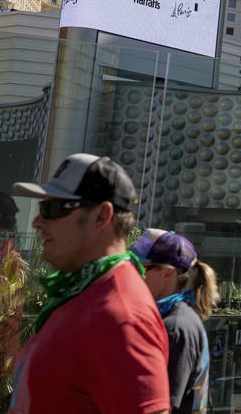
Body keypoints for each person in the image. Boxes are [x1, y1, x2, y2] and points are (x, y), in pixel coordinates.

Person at [10, 153, 170, 414]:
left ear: (101, 216)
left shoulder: (121, 315)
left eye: (53, 210)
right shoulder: (83, 291)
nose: (37, 222)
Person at [133, 229, 217, 414]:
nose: (135, 275)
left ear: (167, 273)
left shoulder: (176, 326)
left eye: (142, 268)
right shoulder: (176, 317)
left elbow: (162, 407)